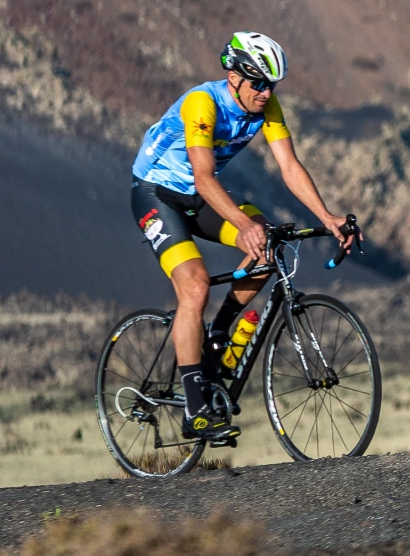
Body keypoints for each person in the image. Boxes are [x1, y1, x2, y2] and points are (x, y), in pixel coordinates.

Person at [130, 32, 354, 444]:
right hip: (157, 195)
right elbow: (202, 174)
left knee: (268, 245)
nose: (265, 93)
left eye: (272, 85)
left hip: (201, 197)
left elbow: (289, 166)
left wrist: (327, 216)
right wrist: (244, 225)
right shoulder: (204, 103)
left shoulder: (267, 104)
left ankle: (220, 332)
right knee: (195, 286)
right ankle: (195, 409)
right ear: (233, 76)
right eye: (258, 83)